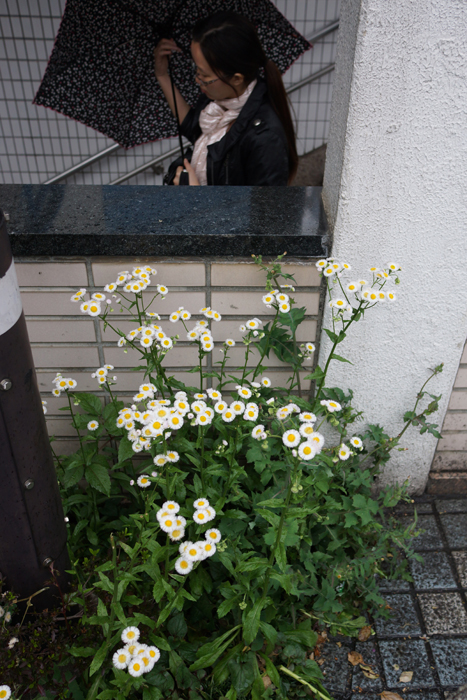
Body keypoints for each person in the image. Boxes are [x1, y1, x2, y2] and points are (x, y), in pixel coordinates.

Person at [154, 11, 298, 186]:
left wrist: (196, 196)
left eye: (205, 76)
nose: (196, 79)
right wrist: (162, 75)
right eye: (196, 69)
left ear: (236, 78)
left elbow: (266, 213)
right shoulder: (218, 101)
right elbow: (194, 127)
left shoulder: (265, 139)